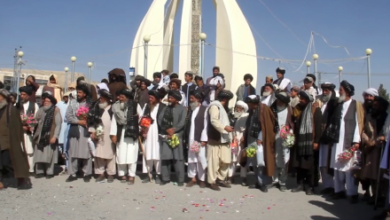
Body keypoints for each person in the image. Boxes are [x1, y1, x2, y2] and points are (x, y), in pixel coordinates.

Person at [328, 80, 363, 204]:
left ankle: (352, 193)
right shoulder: (339, 105)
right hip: (337, 141)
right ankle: (339, 191)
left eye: (341, 89)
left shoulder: (356, 105)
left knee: (349, 169)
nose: (339, 91)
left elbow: (359, 124)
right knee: (337, 168)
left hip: (349, 142)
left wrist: (356, 141)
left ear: (347, 92)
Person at [242, 95, 276, 192]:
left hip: (260, 141)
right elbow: (249, 125)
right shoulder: (252, 111)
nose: (249, 105)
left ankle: (263, 183)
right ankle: (258, 181)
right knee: (254, 162)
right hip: (251, 140)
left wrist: (260, 138)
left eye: (250, 103)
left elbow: (266, 126)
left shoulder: (264, 109)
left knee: (261, 162)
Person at [201, 90, 234, 191]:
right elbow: (214, 121)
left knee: (226, 160)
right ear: (225, 99)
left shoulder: (224, 108)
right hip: (215, 138)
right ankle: (212, 181)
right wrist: (225, 128)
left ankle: (220, 178)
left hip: (224, 139)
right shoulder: (215, 106)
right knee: (213, 161)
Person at [291, 90, 322, 195]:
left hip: (310, 142)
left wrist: (317, 141)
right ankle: (300, 184)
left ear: (308, 100)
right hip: (299, 141)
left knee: (310, 166)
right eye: (300, 98)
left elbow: (318, 128)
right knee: (299, 164)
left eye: (303, 98)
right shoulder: (298, 109)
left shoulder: (315, 111)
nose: (300, 100)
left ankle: (310, 186)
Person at [0, 89, 31, 190]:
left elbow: (16, 127)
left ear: (4, 97)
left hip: (7, 141)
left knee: (7, 163)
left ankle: (21, 178)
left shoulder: (11, 110)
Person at [361, 96, 388, 205]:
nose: (374, 107)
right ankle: (374, 194)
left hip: (380, 149)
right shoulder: (369, 115)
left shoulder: (385, 118)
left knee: (380, 175)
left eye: (377, 105)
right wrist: (367, 142)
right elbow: (363, 130)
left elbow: (384, 134)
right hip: (369, 148)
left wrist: (375, 142)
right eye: (374, 105)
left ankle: (381, 196)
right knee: (371, 174)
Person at [111, 89, 142, 185]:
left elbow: (141, 118)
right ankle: (122, 173)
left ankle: (131, 175)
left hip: (132, 133)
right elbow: (114, 121)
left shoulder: (135, 105)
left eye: (122, 97)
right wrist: (113, 134)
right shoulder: (116, 106)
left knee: (132, 154)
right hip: (121, 132)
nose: (120, 99)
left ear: (127, 97)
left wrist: (139, 129)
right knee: (121, 154)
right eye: (119, 97)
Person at [65, 84, 94, 182]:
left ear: (85, 94)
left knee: (86, 153)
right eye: (77, 92)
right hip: (75, 130)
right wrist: (78, 121)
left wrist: (87, 121)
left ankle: (87, 173)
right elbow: (68, 117)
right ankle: (72, 173)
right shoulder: (72, 103)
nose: (78, 94)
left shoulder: (90, 104)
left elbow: (94, 117)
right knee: (73, 152)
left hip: (86, 131)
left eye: (80, 92)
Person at [158, 90, 187, 186]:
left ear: (177, 99)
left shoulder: (182, 109)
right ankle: (165, 178)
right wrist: (167, 130)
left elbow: (182, 122)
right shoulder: (166, 108)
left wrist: (173, 130)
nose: (170, 99)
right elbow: (160, 119)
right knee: (165, 157)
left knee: (178, 158)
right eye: (169, 97)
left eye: (172, 98)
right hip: (166, 135)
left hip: (177, 136)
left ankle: (180, 179)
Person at [139, 88, 167, 184]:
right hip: (148, 132)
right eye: (149, 97)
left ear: (157, 98)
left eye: (152, 97)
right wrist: (143, 130)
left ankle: (158, 174)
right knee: (148, 153)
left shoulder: (163, 106)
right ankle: (148, 174)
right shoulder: (147, 106)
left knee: (157, 154)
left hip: (158, 133)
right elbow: (142, 118)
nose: (150, 99)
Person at [88, 89, 116, 183]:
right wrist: (92, 132)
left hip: (110, 135)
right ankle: (100, 173)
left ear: (108, 99)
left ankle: (110, 173)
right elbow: (92, 121)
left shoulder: (113, 109)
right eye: (100, 98)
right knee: (99, 155)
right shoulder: (96, 108)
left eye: (103, 98)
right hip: (98, 135)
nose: (100, 100)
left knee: (111, 155)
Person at [33, 91, 61, 179]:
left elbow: (58, 124)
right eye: (44, 101)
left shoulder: (55, 110)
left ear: (51, 102)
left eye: (48, 101)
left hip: (50, 135)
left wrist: (55, 136)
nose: (45, 102)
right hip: (39, 135)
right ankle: (39, 171)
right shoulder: (41, 109)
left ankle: (49, 171)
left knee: (49, 155)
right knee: (39, 153)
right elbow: (36, 119)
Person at [315, 82, 337, 195]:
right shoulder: (320, 102)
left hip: (330, 138)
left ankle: (335, 187)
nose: (324, 92)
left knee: (330, 162)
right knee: (323, 162)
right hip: (321, 137)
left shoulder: (335, 103)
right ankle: (327, 185)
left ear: (331, 91)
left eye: (327, 90)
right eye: (323, 90)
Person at [270, 92, 294, 192]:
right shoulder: (272, 109)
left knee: (285, 160)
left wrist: (290, 132)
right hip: (275, 136)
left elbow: (292, 123)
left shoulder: (289, 109)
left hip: (286, 136)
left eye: (281, 100)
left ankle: (282, 182)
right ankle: (274, 180)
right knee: (275, 158)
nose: (279, 102)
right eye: (278, 100)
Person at [185, 90, 208, 188]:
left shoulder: (205, 110)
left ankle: (202, 179)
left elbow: (206, 126)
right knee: (191, 159)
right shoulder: (190, 110)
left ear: (198, 99)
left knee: (200, 158)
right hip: (191, 139)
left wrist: (204, 139)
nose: (190, 100)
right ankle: (193, 178)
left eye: (192, 98)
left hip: (200, 139)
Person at [360, 88, 379, 200]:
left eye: (370, 96)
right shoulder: (362, 109)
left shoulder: (379, 111)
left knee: (374, 171)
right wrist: (366, 141)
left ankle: (377, 195)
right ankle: (366, 192)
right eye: (366, 96)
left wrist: (373, 142)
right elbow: (360, 127)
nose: (368, 98)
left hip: (376, 145)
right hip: (364, 143)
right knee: (363, 170)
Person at [17, 86, 39, 175]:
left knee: (30, 151)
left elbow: (36, 118)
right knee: (20, 150)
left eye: (24, 94)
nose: (22, 96)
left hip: (30, 131)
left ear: (28, 96)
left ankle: (31, 169)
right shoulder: (17, 105)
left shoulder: (34, 105)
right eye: (21, 94)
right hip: (20, 131)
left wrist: (30, 125)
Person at [231, 101, 249, 185]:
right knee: (233, 158)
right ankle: (231, 176)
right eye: (236, 107)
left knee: (243, 159)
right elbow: (235, 129)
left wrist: (243, 137)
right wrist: (233, 136)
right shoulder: (237, 117)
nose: (236, 109)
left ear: (243, 109)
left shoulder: (246, 116)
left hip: (242, 140)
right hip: (235, 140)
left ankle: (243, 177)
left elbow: (245, 129)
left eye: (238, 108)